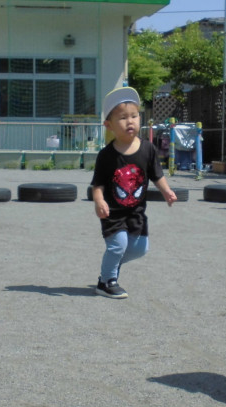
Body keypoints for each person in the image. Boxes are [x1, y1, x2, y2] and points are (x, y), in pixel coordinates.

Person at [90, 87, 177, 299]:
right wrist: (99, 201)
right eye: (122, 118)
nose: (130, 121)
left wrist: (167, 191)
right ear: (108, 125)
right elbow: (98, 184)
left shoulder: (148, 149)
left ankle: (109, 268)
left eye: (134, 116)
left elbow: (157, 175)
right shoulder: (106, 155)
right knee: (118, 245)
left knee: (140, 249)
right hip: (113, 212)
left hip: (136, 211)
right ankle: (106, 281)